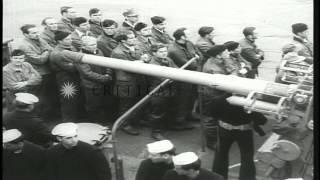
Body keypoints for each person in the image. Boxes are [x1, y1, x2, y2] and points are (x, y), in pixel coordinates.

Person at [212, 101, 268, 180]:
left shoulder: (221, 100)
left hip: (224, 130)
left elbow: (211, 112)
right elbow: (262, 121)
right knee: (247, 157)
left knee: (220, 155)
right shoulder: (248, 102)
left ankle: (217, 178)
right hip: (244, 132)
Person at [45, 122, 112, 180]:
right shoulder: (52, 153)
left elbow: (104, 175)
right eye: (69, 138)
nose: (74, 140)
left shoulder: (92, 152)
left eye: (75, 136)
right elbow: (50, 174)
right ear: (59, 138)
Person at [111, 30, 146, 135]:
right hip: (126, 82)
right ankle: (125, 124)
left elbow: (143, 54)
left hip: (137, 79)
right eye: (131, 38)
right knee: (126, 105)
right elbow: (127, 68)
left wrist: (144, 58)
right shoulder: (117, 52)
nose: (134, 39)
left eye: (134, 37)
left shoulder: (136, 46)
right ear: (123, 41)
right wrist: (141, 61)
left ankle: (136, 121)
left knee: (136, 102)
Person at [18, 24, 57, 118]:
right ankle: (38, 117)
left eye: (37, 32)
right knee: (39, 97)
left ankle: (49, 115)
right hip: (38, 74)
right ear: (26, 35)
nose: (37, 34)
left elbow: (52, 49)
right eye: (34, 33)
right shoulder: (24, 46)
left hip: (47, 72)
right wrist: (46, 52)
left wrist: (45, 52)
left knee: (49, 95)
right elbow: (39, 60)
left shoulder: (39, 39)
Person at [167, 27, 202, 130]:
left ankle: (188, 115)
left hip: (191, 76)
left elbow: (199, 55)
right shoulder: (174, 50)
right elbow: (191, 65)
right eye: (188, 33)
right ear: (182, 37)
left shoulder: (189, 43)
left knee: (191, 97)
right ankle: (179, 121)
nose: (191, 35)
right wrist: (195, 58)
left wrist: (196, 58)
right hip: (182, 79)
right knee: (182, 100)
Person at [200, 45, 231, 150]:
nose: (228, 54)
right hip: (213, 96)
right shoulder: (212, 68)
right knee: (211, 120)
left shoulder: (218, 61)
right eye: (225, 52)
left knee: (218, 117)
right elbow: (224, 82)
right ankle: (211, 142)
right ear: (218, 55)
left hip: (218, 94)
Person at [76, 36, 113, 124]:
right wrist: (104, 78)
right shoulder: (79, 57)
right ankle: (96, 123)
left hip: (103, 82)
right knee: (94, 106)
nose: (95, 46)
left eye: (95, 44)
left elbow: (106, 63)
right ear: (83, 46)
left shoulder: (98, 51)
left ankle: (105, 121)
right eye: (92, 45)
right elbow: (87, 73)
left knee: (105, 103)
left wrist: (108, 73)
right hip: (91, 86)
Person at [147, 44, 179, 140]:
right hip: (158, 91)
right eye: (161, 52)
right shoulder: (152, 64)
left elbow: (177, 69)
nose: (164, 53)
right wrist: (174, 76)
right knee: (157, 113)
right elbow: (164, 79)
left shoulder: (168, 59)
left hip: (169, 89)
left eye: (165, 51)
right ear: (154, 53)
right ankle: (156, 132)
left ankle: (168, 126)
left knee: (169, 109)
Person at [49, 31, 83, 122]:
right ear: (59, 41)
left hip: (74, 77)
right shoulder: (57, 54)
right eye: (67, 39)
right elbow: (71, 68)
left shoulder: (70, 47)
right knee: (68, 100)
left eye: (71, 38)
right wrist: (80, 64)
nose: (71, 41)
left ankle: (76, 119)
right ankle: (68, 121)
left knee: (76, 98)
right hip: (65, 79)